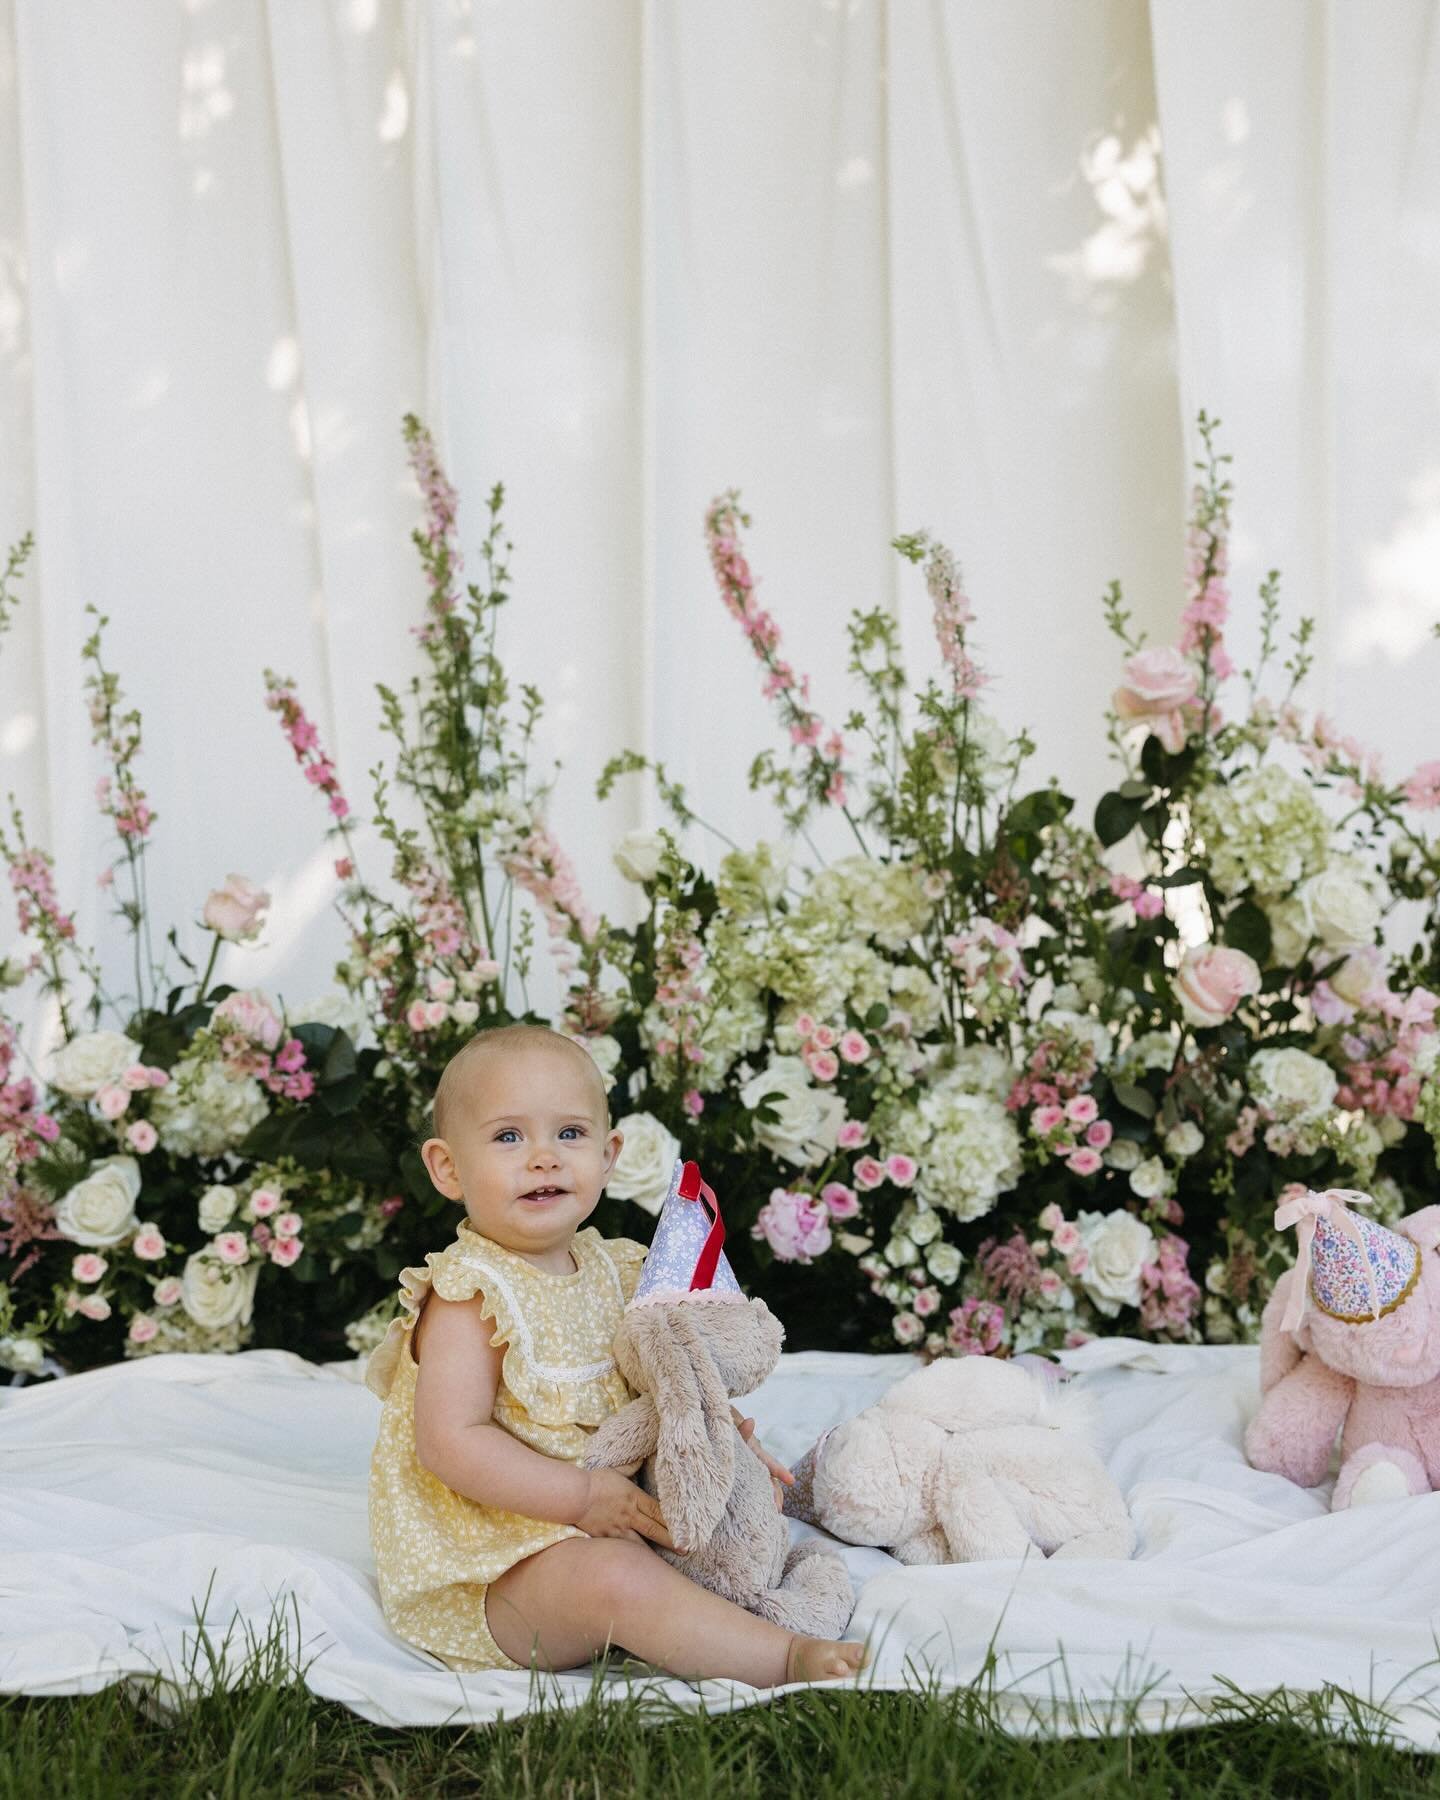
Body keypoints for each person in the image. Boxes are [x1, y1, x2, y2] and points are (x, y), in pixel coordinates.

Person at [366, 1021, 868, 1686]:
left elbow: (663, 1382)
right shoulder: (469, 1295)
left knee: (725, 1527)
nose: (544, 1157)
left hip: (616, 1509)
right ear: (448, 1168)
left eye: (569, 1134)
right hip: (503, 1567)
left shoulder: (619, 1269)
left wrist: (721, 1438)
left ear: (609, 1155)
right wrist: (576, 1498)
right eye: (509, 1136)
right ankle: (778, 1656)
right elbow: (450, 1442)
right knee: (612, 1580)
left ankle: (712, 1603)